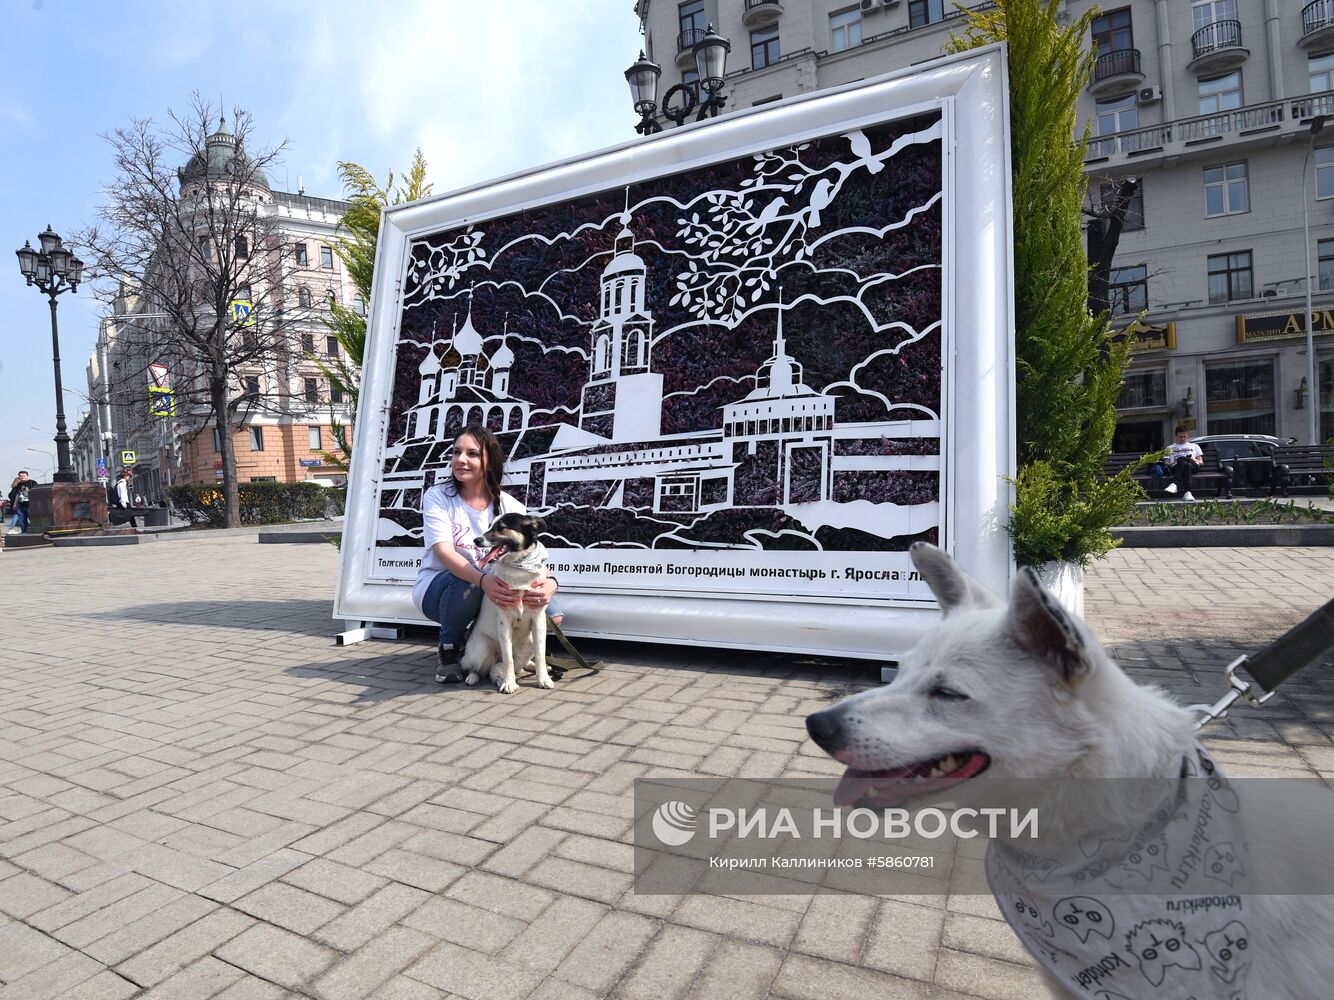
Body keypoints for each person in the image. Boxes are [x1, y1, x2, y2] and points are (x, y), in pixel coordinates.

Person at [411, 424, 561, 684]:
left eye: (472, 454)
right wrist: (483, 581)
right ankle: (449, 648)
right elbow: (445, 553)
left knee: (553, 611)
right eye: (456, 452)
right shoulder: (438, 497)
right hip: (444, 588)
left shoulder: (508, 505)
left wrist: (550, 583)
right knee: (465, 586)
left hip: (494, 582)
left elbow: (530, 555)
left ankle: (512, 655)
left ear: (489, 461)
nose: (461, 460)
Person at [1158, 425, 1203, 502]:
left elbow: (1201, 462)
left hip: (1193, 465)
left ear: (1187, 435)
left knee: (1185, 460)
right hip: (1176, 467)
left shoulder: (1195, 446)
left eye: (1184, 436)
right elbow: (1166, 463)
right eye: (1180, 437)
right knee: (1185, 463)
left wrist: (1193, 459)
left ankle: (1175, 484)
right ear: (1176, 436)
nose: (1182, 438)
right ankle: (1188, 492)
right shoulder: (1170, 448)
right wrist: (1174, 462)